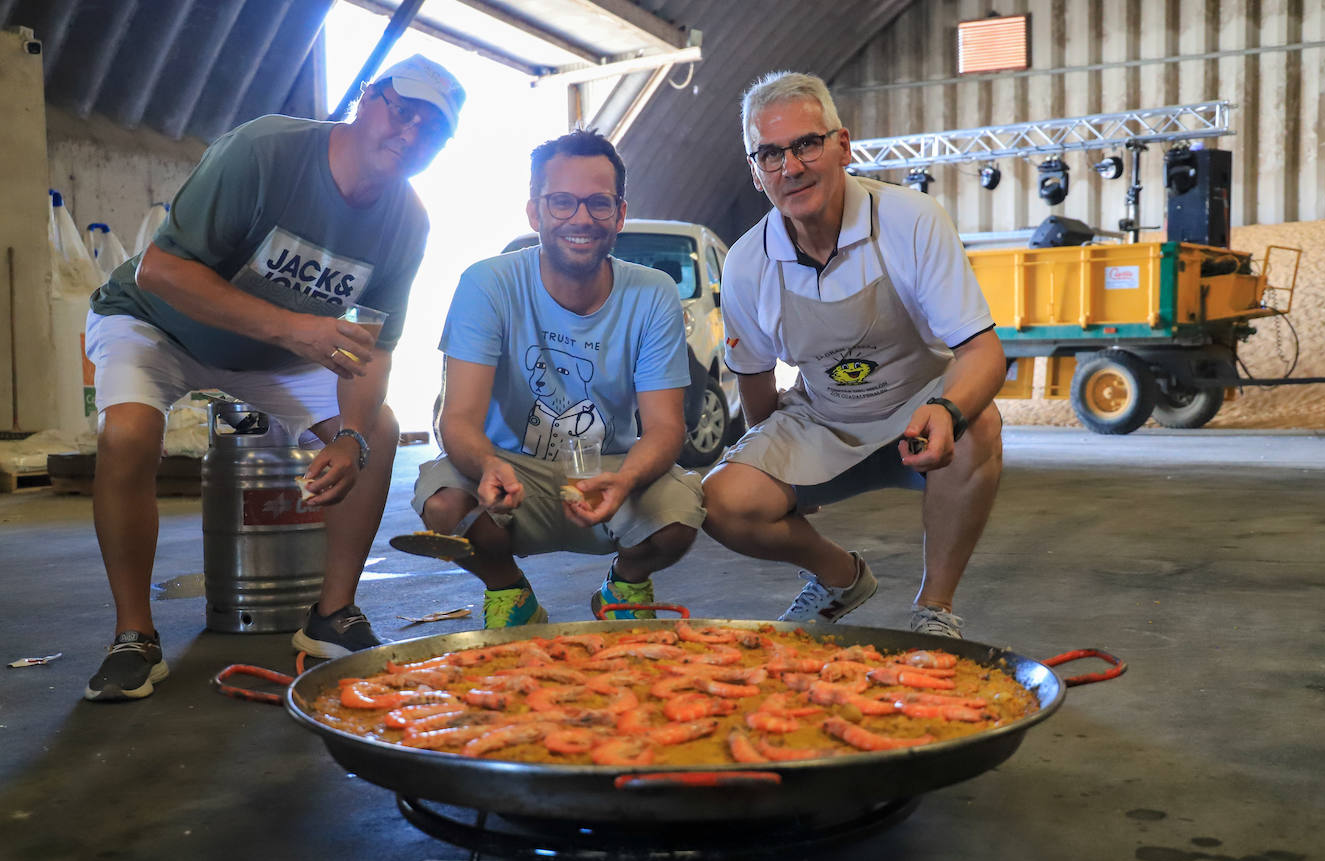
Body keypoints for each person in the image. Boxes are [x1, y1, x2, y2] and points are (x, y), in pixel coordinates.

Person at [82, 55, 465, 701]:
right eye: (403, 109)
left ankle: (331, 615)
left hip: (277, 356)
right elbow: (161, 272)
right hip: (156, 324)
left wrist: (348, 440)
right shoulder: (265, 151)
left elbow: (369, 350)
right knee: (126, 434)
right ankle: (134, 638)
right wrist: (293, 328)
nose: (410, 133)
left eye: (432, 128)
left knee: (375, 432)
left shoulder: (408, 223)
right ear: (368, 97)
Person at [702, 71, 1006, 638]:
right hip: (824, 418)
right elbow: (755, 377)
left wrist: (948, 411)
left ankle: (933, 611)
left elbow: (984, 352)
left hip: (919, 409)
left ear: (842, 146)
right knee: (721, 501)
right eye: (769, 154)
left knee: (979, 423)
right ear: (755, 171)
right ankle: (841, 577)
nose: (790, 167)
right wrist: (777, 471)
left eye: (806, 144)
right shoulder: (746, 262)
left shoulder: (911, 220)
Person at [412, 129, 704, 627]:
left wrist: (627, 477)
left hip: (607, 470)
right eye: (562, 202)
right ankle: (510, 594)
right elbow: (457, 418)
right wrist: (485, 465)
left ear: (620, 212)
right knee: (444, 504)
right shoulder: (488, 283)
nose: (581, 218)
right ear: (535, 212)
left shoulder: (653, 293)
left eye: (598, 203)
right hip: (509, 470)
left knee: (680, 515)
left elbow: (665, 428)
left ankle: (624, 586)